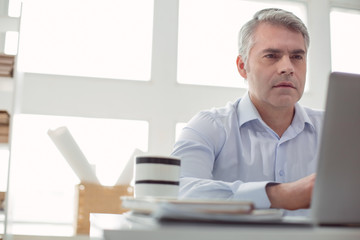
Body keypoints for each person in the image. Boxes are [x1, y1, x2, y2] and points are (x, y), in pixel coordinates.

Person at [171, 8, 323, 216]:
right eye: (271, 56)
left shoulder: (334, 131)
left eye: (297, 57)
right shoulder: (209, 126)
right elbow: (177, 192)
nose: (287, 67)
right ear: (243, 66)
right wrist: (276, 195)